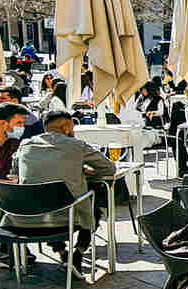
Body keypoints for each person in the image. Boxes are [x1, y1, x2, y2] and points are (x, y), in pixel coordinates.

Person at [14, 109, 117, 266]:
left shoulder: (25, 145)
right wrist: (83, 175)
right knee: (93, 207)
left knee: (48, 201)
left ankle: (62, 252)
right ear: (67, 127)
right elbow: (109, 168)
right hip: (68, 217)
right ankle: (79, 251)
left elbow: (16, 173)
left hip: (26, 219)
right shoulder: (76, 145)